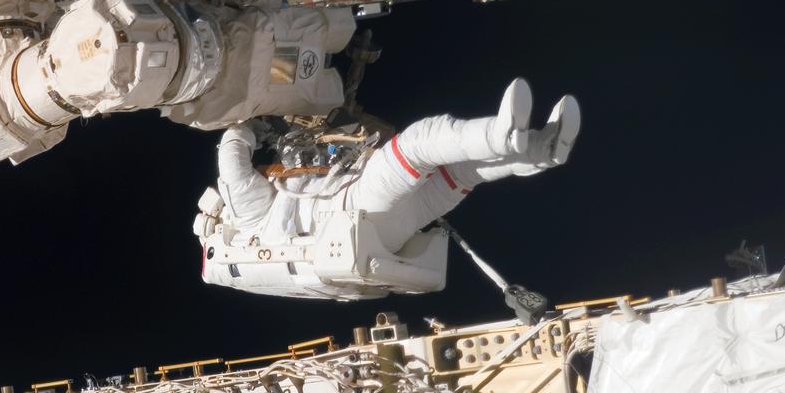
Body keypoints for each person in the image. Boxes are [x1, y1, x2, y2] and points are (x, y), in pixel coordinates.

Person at [202, 79, 580, 261]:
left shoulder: (263, 227)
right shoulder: (247, 218)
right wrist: (248, 127)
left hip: (388, 231)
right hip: (356, 210)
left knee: (464, 173)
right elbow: (231, 159)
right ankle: (502, 136)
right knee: (419, 143)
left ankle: (540, 150)